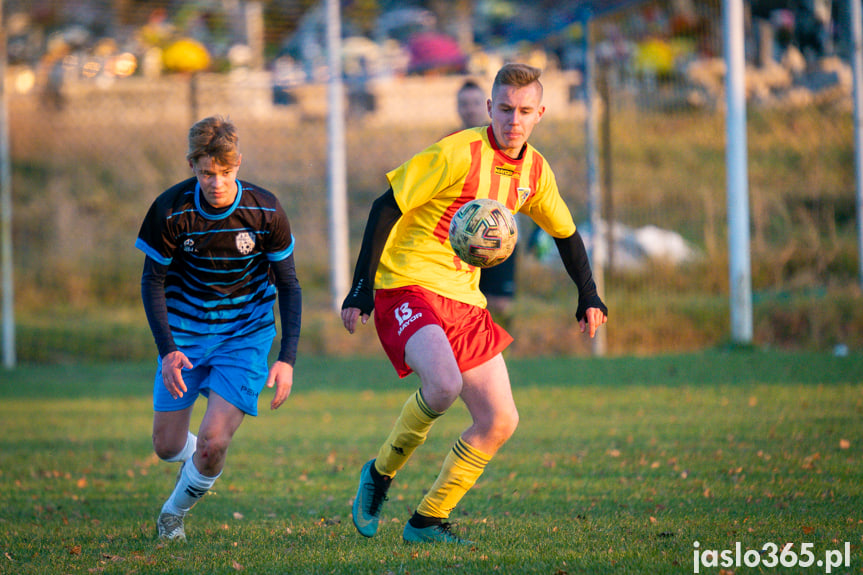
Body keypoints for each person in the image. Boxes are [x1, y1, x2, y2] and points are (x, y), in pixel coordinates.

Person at [340, 63, 607, 544]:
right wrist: (360, 287)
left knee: (501, 419)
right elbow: (386, 206)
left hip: (464, 298)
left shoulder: (535, 171)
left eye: (525, 111)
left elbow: (565, 233)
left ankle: (427, 520)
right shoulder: (455, 153)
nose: (514, 120)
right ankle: (379, 475)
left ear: (541, 113)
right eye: (505, 109)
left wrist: (588, 294)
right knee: (441, 386)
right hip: (406, 284)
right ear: (490, 108)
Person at [135, 115, 302, 542]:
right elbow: (152, 280)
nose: (216, 182)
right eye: (207, 173)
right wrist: (167, 349)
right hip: (186, 337)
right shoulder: (171, 210)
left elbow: (288, 284)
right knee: (167, 446)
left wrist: (286, 359)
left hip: (245, 336)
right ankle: (199, 465)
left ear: (238, 164)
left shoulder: (265, 210)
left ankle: (173, 516)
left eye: (225, 173)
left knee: (212, 443)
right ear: (193, 166)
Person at [456, 79, 518, 328]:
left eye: (474, 103)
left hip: (500, 234)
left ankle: (506, 352)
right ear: (457, 108)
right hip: (463, 236)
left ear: (487, 107)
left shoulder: (504, 141)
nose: (469, 109)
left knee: (501, 303)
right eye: (463, 103)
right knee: (466, 303)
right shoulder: (448, 144)